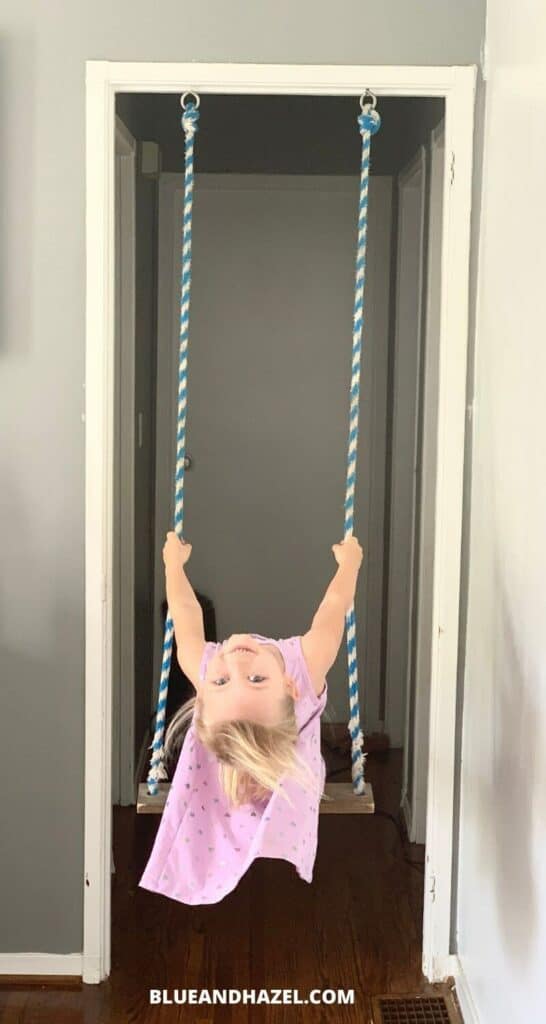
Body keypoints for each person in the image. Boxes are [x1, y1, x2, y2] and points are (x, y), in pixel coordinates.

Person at [138, 531, 363, 905]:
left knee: (238, 747)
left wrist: (173, 566)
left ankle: (248, 780)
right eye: (256, 680)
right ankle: (250, 780)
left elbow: (186, 614)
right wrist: (350, 564)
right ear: (291, 688)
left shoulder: (203, 667)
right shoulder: (306, 667)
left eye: (223, 681)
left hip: (253, 741)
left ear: (204, 692)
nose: (236, 662)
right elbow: (334, 607)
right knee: (253, 751)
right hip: (284, 743)